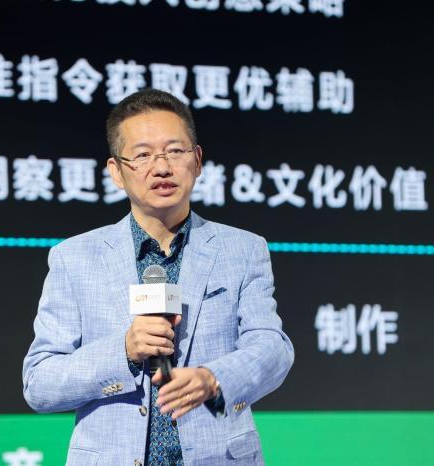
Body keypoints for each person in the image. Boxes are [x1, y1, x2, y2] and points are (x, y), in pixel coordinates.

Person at [22, 89, 294, 465]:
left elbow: (273, 348)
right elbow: (40, 383)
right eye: (143, 155)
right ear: (116, 171)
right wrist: (124, 351)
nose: (162, 167)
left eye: (175, 151)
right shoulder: (74, 258)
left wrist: (214, 378)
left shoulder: (242, 249)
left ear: (197, 161)